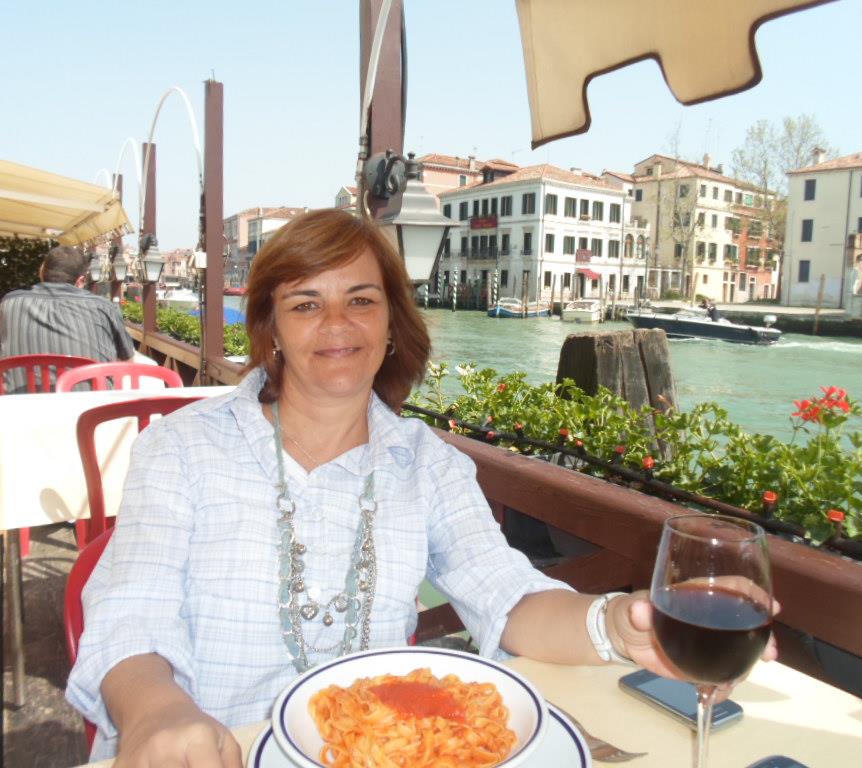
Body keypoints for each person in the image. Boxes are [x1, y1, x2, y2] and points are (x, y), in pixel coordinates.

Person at [66, 209, 776, 765]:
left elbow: (507, 596)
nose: (337, 324)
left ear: (391, 325)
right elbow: (131, 611)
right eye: (306, 304)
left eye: (361, 300)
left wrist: (616, 624)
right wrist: (156, 710)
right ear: (271, 328)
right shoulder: (182, 449)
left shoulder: (426, 463)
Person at [0, 245, 134, 393]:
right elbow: (127, 362)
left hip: (23, 406)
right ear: (81, 281)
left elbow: (2, 351)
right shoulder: (104, 307)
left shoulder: (10, 303)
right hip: (91, 406)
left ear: (42, 272)